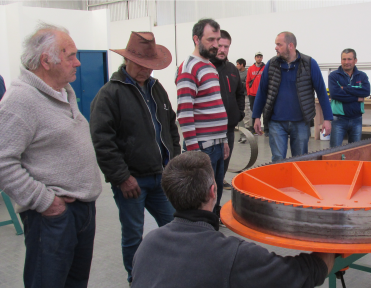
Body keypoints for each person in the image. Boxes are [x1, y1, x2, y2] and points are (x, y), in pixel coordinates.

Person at [0, 23, 102, 287]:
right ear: (46, 61)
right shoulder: (20, 101)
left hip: (81, 211)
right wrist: (47, 202)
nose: (78, 62)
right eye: (70, 55)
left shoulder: (63, 92)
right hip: (53, 218)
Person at [131, 151, 335, 288]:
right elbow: (301, 274)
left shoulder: (148, 244)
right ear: (213, 191)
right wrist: (330, 248)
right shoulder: (232, 255)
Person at [90, 31, 181, 284]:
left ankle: (171, 271)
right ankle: (136, 278)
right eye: (140, 65)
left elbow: (171, 127)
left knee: (174, 225)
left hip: (161, 177)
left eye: (149, 66)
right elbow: (102, 141)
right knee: (132, 234)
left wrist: (173, 160)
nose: (145, 71)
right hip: (131, 182)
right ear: (127, 60)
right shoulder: (110, 94)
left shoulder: (156, 89)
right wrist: (121, 177)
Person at [175, 18, 230, 219]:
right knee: (200, 202)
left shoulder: (210, 66)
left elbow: (216, 105)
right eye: (210, 40)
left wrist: (223, 140)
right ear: (196, 39)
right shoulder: (189, 68)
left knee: (214, 197)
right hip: (201, 147)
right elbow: (185, 112)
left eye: (217, 39)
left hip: (216, 145)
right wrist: (194, 152)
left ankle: (212, 234)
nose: (216, 45)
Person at [252, 32, 333, 162]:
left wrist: (327, 119)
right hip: (276, 122)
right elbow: (262, 91)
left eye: (279, 44)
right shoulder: (271, 64)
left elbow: (322, 92)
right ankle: (281, 183)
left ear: (290, 45)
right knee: (278, 159)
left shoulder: (309, 63)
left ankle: (298, 183)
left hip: (301, 122)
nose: (275, 47)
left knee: (300, 159)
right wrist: (256, 116)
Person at [210, 30, 245, 190]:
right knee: (208, 174)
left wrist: (239, 114)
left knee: (223, 167)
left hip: (228, 130)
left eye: (227, 46)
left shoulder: (232, 69)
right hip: (209, 132)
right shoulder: (205, 68)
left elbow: (239, 93)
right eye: (220, 46)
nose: (223, 50)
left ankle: (216, 204)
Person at [328, 48, 370, 147]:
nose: (346, 62)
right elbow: (335, 94)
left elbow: (366, 91)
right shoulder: (334, 76)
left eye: (349, 59)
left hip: (357, 119)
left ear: (355, 60)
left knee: (354, 151)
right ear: (341, 60)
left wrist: (346, 88)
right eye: (344, 59)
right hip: (338, 120)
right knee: (335, 151)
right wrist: (356, 98)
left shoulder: (362, 76)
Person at [246, 52, 266, 134]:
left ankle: (266, 129)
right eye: (257, 57)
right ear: (255, 58)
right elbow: (247, 81)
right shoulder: (250, 68)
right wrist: (248, 92)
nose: (259, 58)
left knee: (265, 111)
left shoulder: (265, 68)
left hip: (263, 94)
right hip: (253, 94)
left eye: (260, 57)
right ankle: (254, 129)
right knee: (254, 111)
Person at [236, 58, 252, 143]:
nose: (237, 65)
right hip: (237, 97)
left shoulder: (247, 73)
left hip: (245, 96)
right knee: (240, 117)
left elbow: (247, 84)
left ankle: (246, 136)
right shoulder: (236, 72)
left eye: (238, 64)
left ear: (242, 65)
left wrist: (239, 84)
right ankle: (242, 135)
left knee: (246, 117)